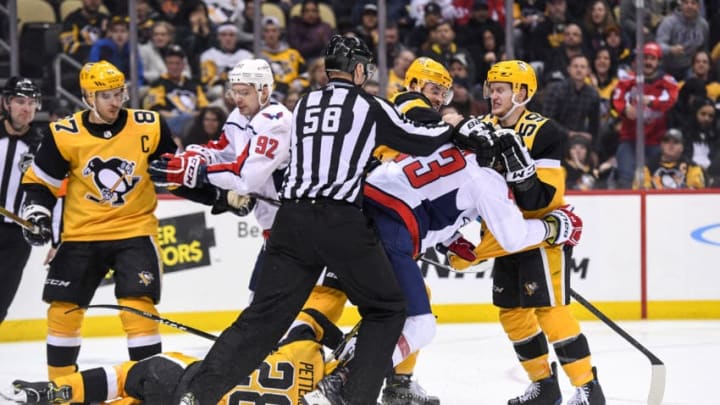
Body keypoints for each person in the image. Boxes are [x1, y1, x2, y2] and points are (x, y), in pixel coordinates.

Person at [175, 35, 458, 405]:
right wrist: (455, 125)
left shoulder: (303, 103)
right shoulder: (369, 104)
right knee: (388, 308)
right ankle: (353, 396)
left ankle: (196, 394)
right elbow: (422, 140)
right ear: (358, 69)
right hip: (340, 222)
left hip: (290, 222)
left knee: (262, 318)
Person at [450, 60, 606, 405]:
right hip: (503, 235)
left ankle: (588, 390)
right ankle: (544, 387)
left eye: (501, 89)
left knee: (549, 309)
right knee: (512, 312)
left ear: (522, 92)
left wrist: (518, 171)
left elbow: (540, 198)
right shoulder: (483, 127)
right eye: (491, 89)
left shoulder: (544, 131)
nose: (493, 95)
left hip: (539, 234)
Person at [19, 60, 177, 380]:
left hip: (134, 229)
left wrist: (212, 192)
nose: (114, 102)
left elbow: (175, 171)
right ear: (88, 97)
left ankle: (150, 385)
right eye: (105, 95)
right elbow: (40, 184)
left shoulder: (150, 125)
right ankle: (62, 388)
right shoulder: (63, 134)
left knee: (138, 307)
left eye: (118, 93)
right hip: (81, 234)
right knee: (63, 310)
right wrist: (37, 212)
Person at [149, 58, 293, 295]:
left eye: (244, 92)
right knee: (261, 301)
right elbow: (220, 150)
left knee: (266, 305)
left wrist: (199, 172)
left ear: (264, 90)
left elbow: (246, 178)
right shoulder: (239, 116)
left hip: (295, 227)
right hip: (276, 229)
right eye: (234, 91)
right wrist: (188, 158)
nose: (237, 99)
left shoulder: (277, 121)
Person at [4, 307, 345, 405]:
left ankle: (59, 390)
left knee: (130, 377)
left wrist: (337, 340)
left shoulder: (300, 349)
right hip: (200, 398)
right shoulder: (318, 380)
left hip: (188, 381)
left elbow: (310, 318)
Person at [0, 77, 44, 325]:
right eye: (19, 101)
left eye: (31, 102)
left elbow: (55, 193)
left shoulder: (42, 146)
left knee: (1, 302)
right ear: (7, 103)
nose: (26, 108)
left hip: (18, 236)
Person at [612, 42, 679, 189]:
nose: (648, 62)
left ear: (658, 62)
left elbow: (671, 99)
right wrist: (625, 109)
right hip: (629, 139)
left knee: (656, 180)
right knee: (626, 180)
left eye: (652, 58)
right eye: (645, 58)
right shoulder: (627, 80)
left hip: (656, 141)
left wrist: (651, 101)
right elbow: (617, 98)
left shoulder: (667, 82)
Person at [640, 128, 706, 189]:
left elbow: (696, 194)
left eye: (676, 142)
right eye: (667, 141)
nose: (671, 145)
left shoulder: (692, 167)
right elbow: (641, 192)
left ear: (682, 148)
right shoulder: (647, 167)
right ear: (661, 145)